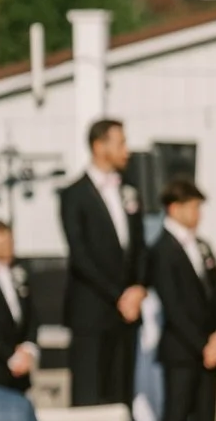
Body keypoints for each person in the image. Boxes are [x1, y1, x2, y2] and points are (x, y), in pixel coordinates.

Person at [150, 177, 216, 421]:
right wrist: (202, 344)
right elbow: (174, 307)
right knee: (177, 417)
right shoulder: (162, 250)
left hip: (209, 348)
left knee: (206, 417)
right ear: (175, 208)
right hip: (182, 350)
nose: (198, 214)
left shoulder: (202, 246)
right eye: (193, 207)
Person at [57, 117, 148, 406]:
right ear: (99, 146)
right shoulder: (74, 194)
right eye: (120, 143)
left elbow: (140, 246)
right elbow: (80, 255)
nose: (127, 150)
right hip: (92, 312)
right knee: (90, 392)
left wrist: (138, 288)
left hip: (126, 314)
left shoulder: (129, 190)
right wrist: (117, 294)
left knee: (122, 393)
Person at [0, 218, 38, 394]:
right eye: (1, 243)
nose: (7, 246)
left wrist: (28, 348)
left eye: (9, 241)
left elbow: (31, 314)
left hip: (21, 371)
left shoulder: (20, 270)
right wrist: (10, 357)